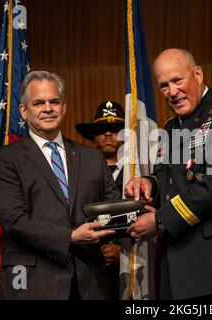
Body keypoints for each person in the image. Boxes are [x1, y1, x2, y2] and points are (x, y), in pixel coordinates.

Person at [125, 48, 212, 300]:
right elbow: (170, 180)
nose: (172, 92)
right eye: (164, 86)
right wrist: (149, 184)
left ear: (198, 74)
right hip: (179, 265)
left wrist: (158, 221)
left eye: (178, 80)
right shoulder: (170, 128)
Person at [0, 71, 119, 300]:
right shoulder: (4, 159)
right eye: (38, 103)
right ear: (24, 111)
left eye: (54, 101)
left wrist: (142, 204)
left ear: (64, 107)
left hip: (89, 285)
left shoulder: (92, 157)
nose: (48, 108)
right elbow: (14, 221)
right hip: (31, 286)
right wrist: (70, 237)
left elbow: (112, 207)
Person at [75, 100, 125, 299]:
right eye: (102, 129)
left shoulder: (140, 173)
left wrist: (122, 252)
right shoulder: (77, 173)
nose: (108, 134)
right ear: (93, 137)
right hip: (90, 268)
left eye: (116, 129)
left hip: (133, 269)